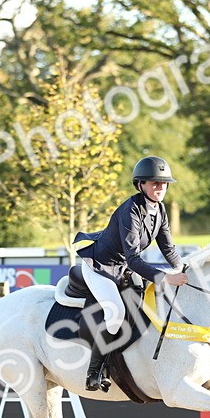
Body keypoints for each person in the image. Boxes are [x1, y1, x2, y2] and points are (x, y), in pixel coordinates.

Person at [73, 155, 189, 391]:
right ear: (140, 185)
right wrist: (167, 277)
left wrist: (183, 269)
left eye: (164, 183)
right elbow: (134, 259)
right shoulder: (130, 211)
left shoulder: (160, 210)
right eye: (154, 182)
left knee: (144, 306)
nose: (160, 187)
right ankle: (93, 372)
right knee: (115, 313)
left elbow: (167, 248)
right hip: (101, 267)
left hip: (122, 267)